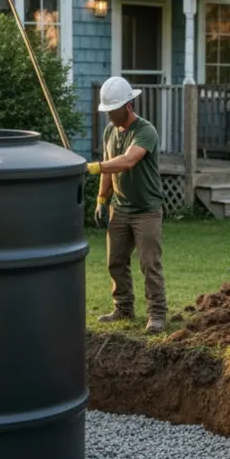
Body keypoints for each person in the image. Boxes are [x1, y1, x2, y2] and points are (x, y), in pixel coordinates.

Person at [87, 76, 166, 333]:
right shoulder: (110, 131)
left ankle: (157, 314)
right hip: (119, 208)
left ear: (128, 106)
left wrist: (92, 167)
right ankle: (123, 308)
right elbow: (109, 170)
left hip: (146, 211)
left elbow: (128, 161)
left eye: (113, 111)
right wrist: (102, 200)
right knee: (115, 262)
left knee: (149, 263)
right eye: (107, 111)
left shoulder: (146, 131)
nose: (109, 116)